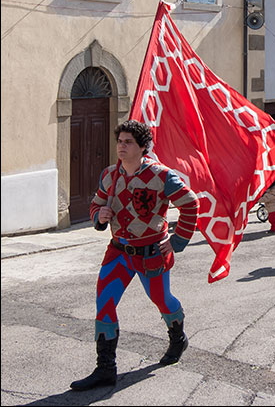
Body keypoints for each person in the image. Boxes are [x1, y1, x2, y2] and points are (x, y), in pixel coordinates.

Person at [70, 120, 199, 391]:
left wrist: (176, 241)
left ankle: (178, 337)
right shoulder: (109, 175)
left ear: (142, 147)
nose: (121, 146)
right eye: (119, 141)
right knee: (104, 302)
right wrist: (99, 216)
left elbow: (190, 204)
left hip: (151, 253)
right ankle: (105, 368)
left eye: (128, 142)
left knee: (162, 300)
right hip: (118, 252)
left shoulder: (162, 175)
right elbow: (97, 204)